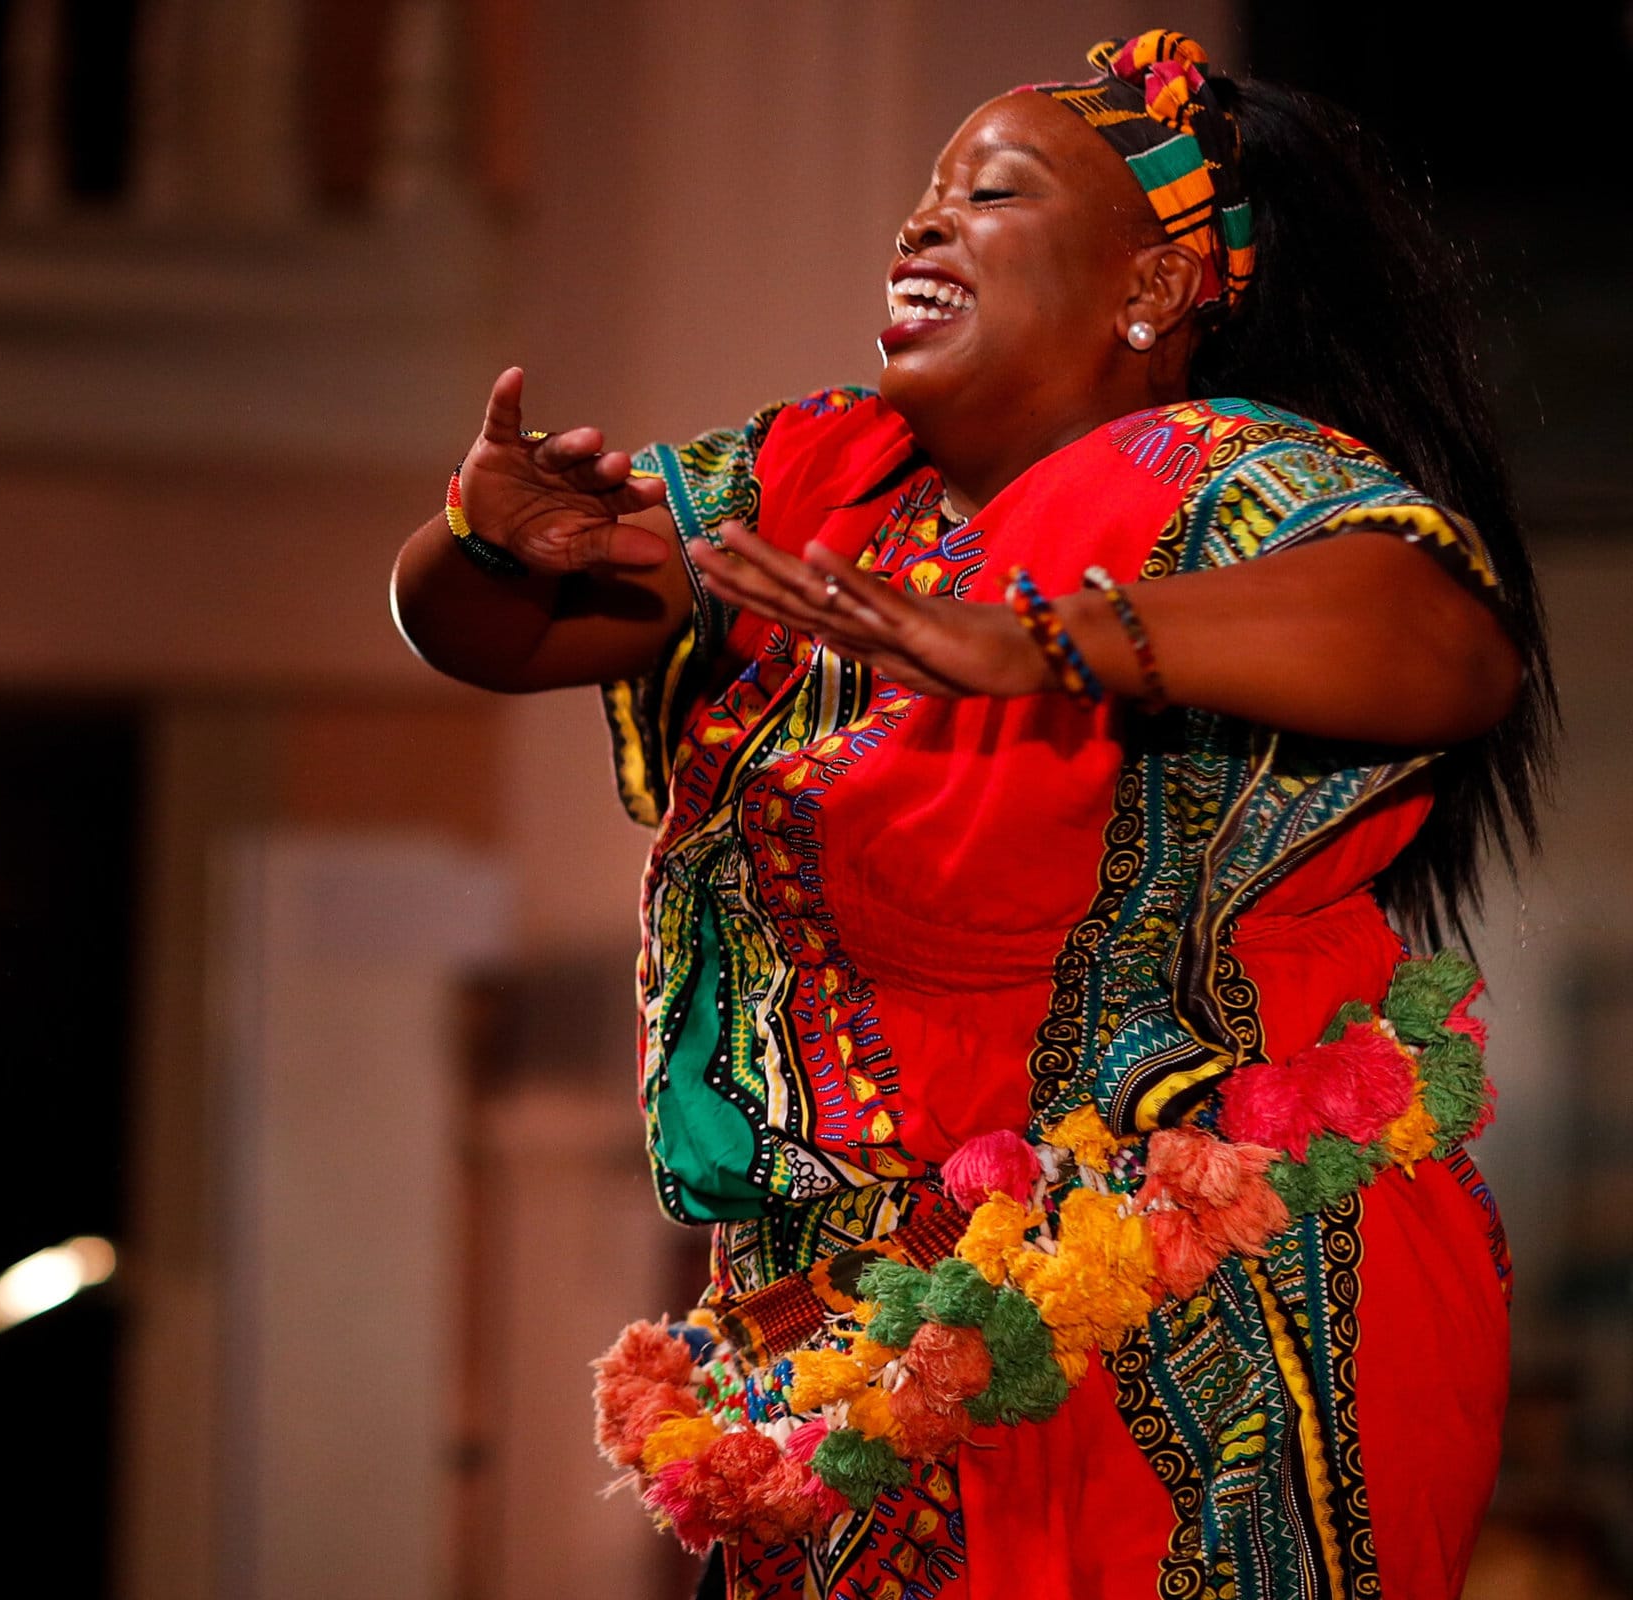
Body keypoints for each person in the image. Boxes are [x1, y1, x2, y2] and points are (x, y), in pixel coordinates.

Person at [390, 29, 1552, 1600]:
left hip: (1192, 1301)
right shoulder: (827, 479)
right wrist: (483, 540)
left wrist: (1054, 640)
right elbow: (495, 632)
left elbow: (1448, 643)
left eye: (986, 195)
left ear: (1152, 291)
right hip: (863, 1334)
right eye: (923, 197)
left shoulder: (1209, 471)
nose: (919, 226)